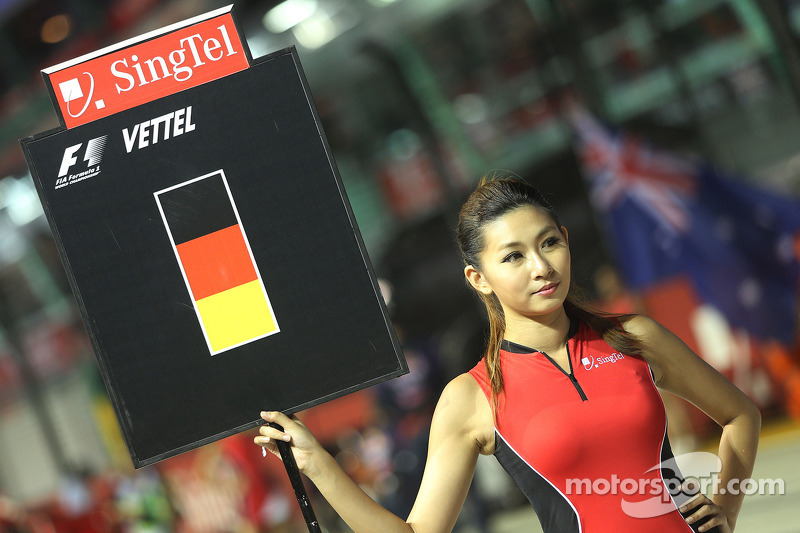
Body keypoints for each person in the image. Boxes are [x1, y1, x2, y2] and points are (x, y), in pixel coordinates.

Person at [255, 177, 761, 532]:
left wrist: (726, 508)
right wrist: (317, 464)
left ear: (566, 241)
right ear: (479, 279)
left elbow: (740, 415)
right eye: (513, 256)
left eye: (548, 243)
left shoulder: (634, 336)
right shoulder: (472, 398)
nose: (540, 266)